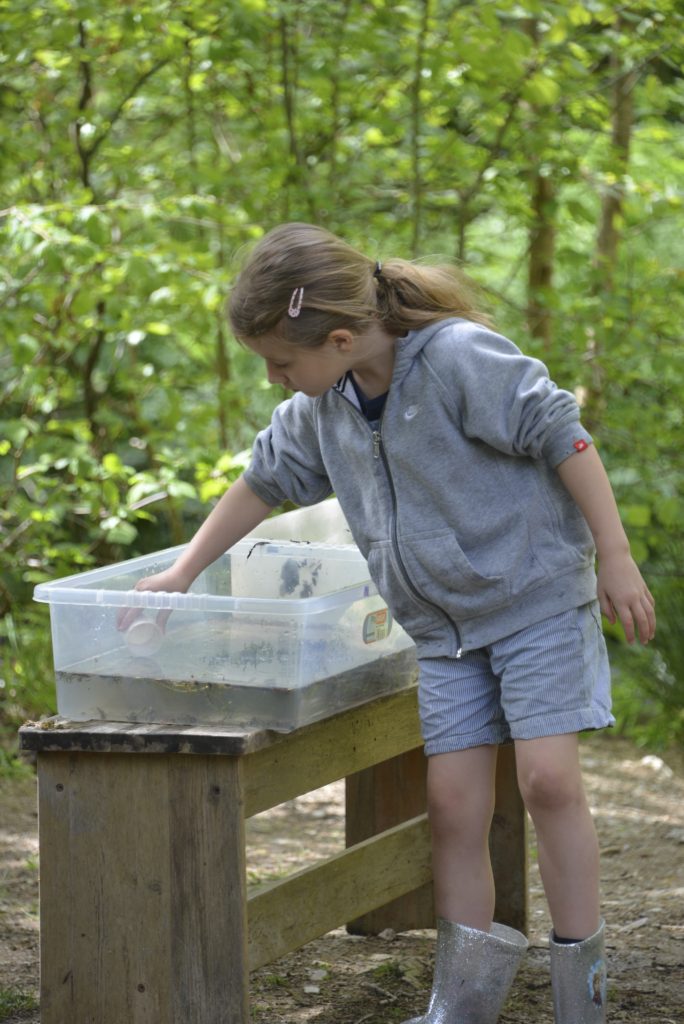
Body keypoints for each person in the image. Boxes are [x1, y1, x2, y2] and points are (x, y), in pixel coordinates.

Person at [119, 223, 656, 1024]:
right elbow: (263, 480)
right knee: (450, 808)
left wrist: (614, 556)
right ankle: (462, 1003)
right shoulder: (325, 401)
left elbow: (563, 434)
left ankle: (585, 998)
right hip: (442, 633)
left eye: (280, 361)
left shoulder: (459, 360)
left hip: (534, 602)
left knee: (548, 782)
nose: (276, 377)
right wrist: (183, 571)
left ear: (339, 337)